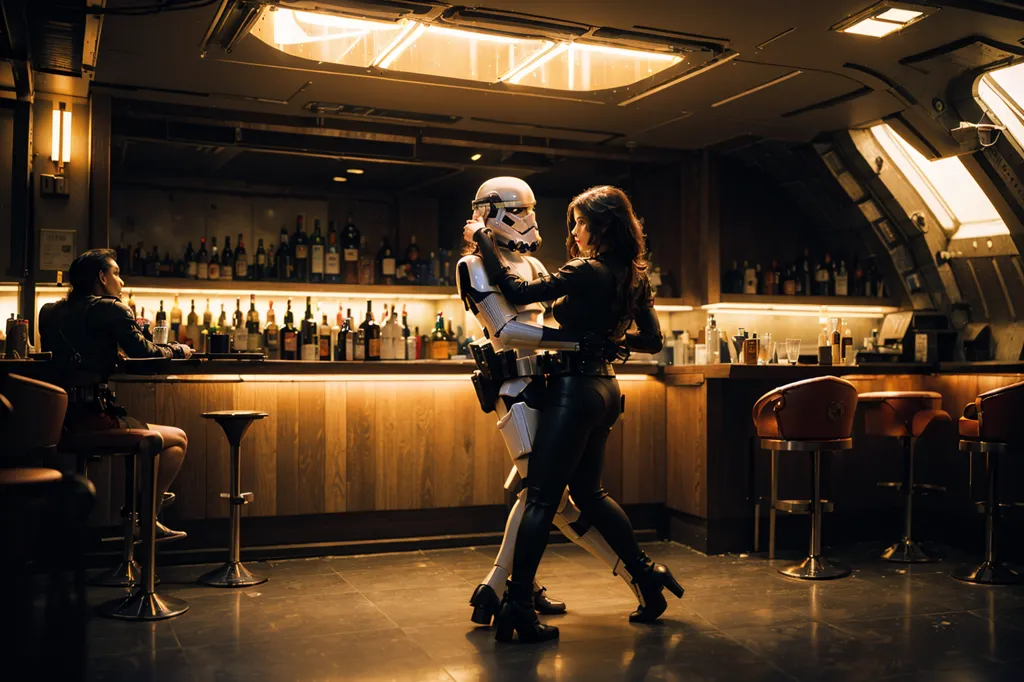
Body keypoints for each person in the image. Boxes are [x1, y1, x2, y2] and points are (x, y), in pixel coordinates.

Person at [466, 185, 683, 643]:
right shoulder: (633, 273)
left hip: (570, 388)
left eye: (581, 222)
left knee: (542, 498)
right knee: (584, 492)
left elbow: (514, 296)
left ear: (602, 225)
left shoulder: (581, 269)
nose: (574, 230)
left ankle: (516, 604)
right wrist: (607, 341)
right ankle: (644, 575)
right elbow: (650, 340)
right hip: (599, 387)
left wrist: (482, 241)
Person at [39, 248, 193, 541]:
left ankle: (141, 513)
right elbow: (146, 355)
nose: (121, 282)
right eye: (117, 274)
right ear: (102, 277)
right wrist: (177, 350)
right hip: (94, 419)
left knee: (165, 437)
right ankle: (142, 517)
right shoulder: (112, 308)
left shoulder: (49, 312)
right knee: (178, 439)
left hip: (57, 422)